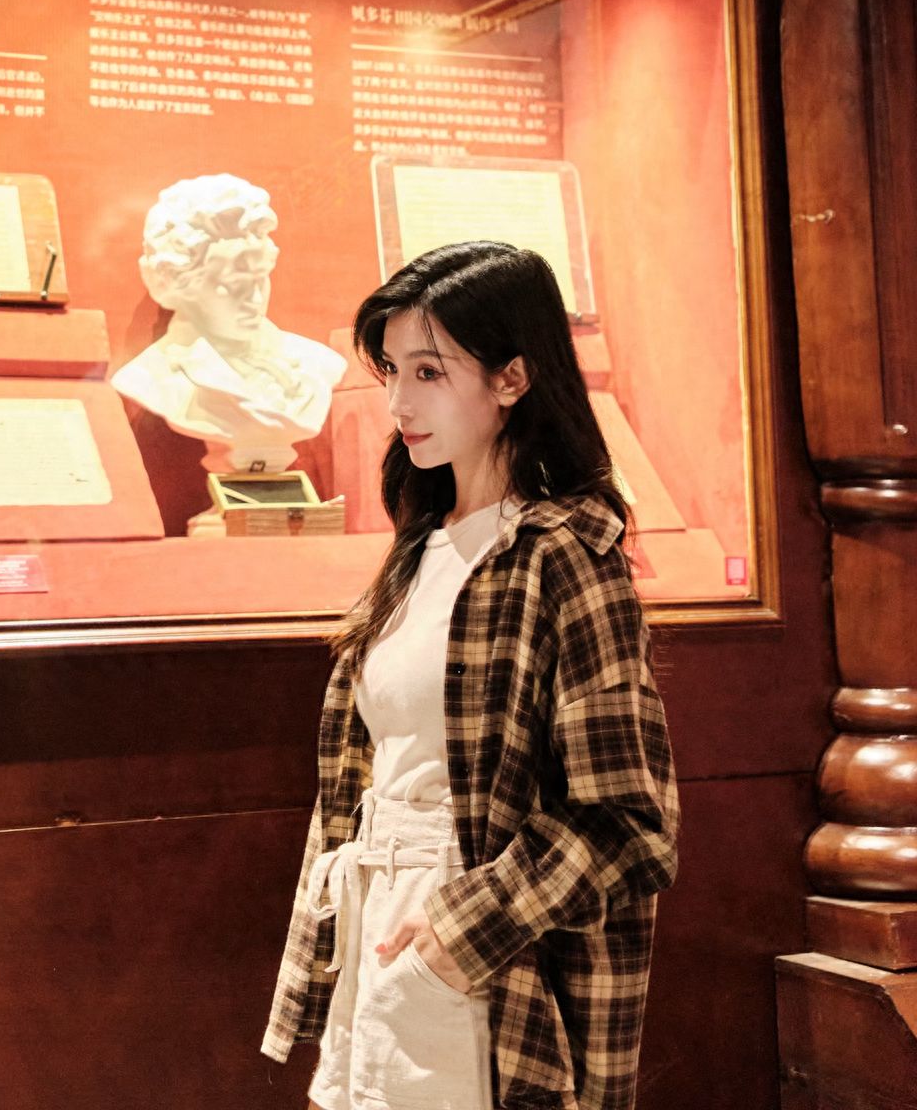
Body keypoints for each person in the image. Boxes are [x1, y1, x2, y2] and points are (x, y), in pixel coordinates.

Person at [262, 241, 679, 1110]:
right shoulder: (417, 548)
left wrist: (463, 927)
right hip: (381, 925)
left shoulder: (564, 555)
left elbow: (630, 823)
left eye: (429, 371)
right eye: (390, 370)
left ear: (513, 379)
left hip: (488, 958)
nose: (398, 402)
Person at [111, 173, 345, 470]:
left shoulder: (317, 362)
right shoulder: (148, 378)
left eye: (261, 276)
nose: (254, 296)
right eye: (234, 282)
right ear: (183, 283)